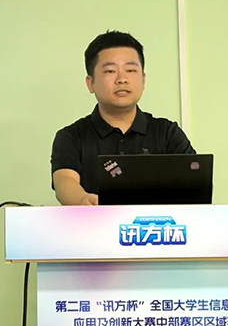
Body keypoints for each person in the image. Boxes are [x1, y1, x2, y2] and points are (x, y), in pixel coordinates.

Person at [51, 30, 195, 206]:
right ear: (91, 83)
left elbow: (194, 183)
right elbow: (65, 180)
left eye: (131, 70)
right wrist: (83, 201)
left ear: (143, 79)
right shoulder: (71, 136)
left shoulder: (167, 133)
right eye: (110, 71)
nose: (122, 79)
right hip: (94, 222)